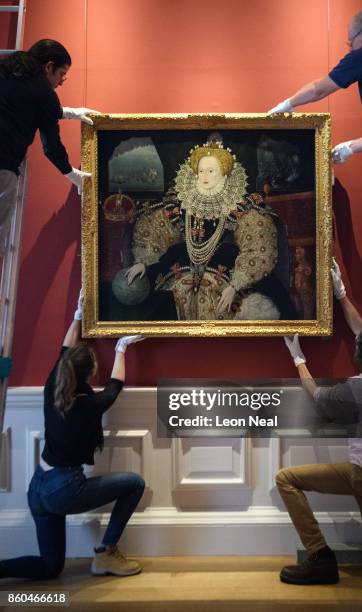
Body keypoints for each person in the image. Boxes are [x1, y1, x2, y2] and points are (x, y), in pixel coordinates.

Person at [267, 9, 362, 330]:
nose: (349, 48)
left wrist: (285, 105)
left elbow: (320, 88)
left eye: (350, 42)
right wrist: (351, 147)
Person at [0, 292, 145, 579]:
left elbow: (64, 350)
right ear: (90, 373)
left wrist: (77, 316)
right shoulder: (88, 405)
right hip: (63, 489)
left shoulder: (53, 386)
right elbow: (114, 387)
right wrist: (121, 348)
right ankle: (106, 555)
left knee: (51, 568)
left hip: (39, 487)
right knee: (134, 484)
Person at [277, 261, 362, 585]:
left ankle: (320, 557)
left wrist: (298, 357)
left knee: (286, 479)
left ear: (361, 357)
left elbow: (315, 394)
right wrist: (341, 293)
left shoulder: (356, 389)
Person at [123, 139, 297, 321]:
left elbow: (257, 243)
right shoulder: (180, 204)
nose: (204, 176)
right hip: (181, 262)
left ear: (224, 174)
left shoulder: (239, 207)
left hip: (228, 264)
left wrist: (235, 285)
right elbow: (158, 232)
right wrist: (144, 263)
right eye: (201, 171)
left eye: (211, 171)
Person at [0, 39, 97, 254]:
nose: (62, 81)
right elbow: (51, 146)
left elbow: (25, 104)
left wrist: (69, 112)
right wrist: (71, 174)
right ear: (49, 67)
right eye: (61, 73)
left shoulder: (8, 70)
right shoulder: (43, 91)